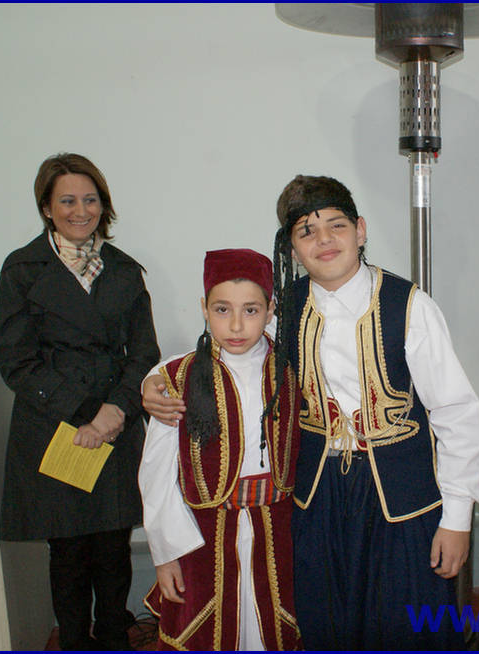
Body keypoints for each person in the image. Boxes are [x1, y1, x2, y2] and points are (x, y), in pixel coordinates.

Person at [142, 174, 479, 649]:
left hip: (402, 501)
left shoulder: (410, 306)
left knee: (405, 625)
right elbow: (230, 348)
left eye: (336, 226)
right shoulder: (285, 308)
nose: (323, 240)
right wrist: (154, 380)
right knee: (326, 622)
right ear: (291, 248)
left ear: (360, 230)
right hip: (318, 500)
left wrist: (457, 517)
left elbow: (456, 413)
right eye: (307, 231)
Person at [0, 152, 160, 650]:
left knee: (113, 545)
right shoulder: (22, 269)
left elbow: (144, 354)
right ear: (47, 208)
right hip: (56, 424)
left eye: (90, 199)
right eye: (67, 201)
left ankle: (113, 635)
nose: (80, 210)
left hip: (116, 420)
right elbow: (16, 359)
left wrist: (117, 410)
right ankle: (73, 641)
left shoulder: (124, 269)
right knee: (67, 550)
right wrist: (89, 413)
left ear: (103, 205)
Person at [138, 248, 301, 651]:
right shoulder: (178, 377)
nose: (236, 325)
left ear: (271, 310)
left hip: (279, 535)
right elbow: (157, 474)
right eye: (222, 309)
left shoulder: (293, 371)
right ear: (204, 309)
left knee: (274, 627)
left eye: (251, 310)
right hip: (201, 538)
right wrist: (165, 553)